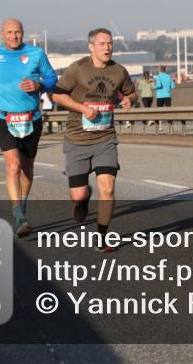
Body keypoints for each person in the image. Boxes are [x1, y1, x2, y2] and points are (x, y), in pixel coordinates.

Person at [52, 28, 136, 253]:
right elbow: (57, 94)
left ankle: (101, 238)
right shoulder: (78, 69)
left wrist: (129, 99)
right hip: (77, 138)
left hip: (105, 138)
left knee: (107, 189)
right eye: (102, 44)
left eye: (110, 43)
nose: (107, 47)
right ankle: (82, 199)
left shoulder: (119, 71)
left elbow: (132, 92)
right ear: (91, 47)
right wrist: (82, 108)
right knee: (78, 194)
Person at [0, 18, 58, 238]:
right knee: (13, 165)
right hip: (3, 118)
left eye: (18, 32)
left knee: (27, 168)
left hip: (31, 118)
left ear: (23, 33)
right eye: (10, 32)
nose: (14, 36)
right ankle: (18, 216)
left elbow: (52, 78)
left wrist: (39, 85)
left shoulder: (36, 54)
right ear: (3, 35)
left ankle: (21, 206)